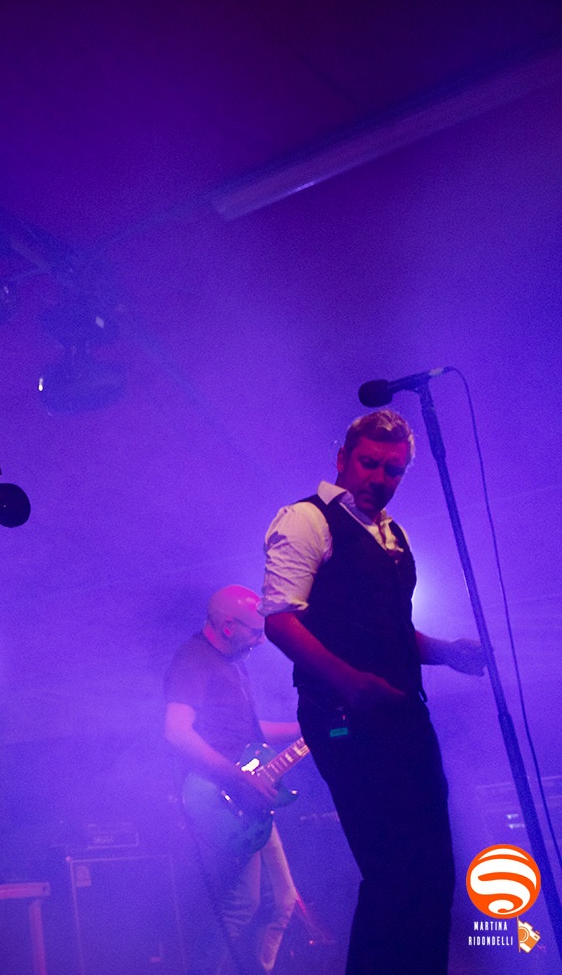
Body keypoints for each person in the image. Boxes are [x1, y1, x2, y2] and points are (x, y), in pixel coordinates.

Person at [259, 409, 484, 975]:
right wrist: (351, 682)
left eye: (393, 470)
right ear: (342, 459)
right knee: (392, 873)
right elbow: (280, 621)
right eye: (369, 463)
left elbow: (391, 630)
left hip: (404, 717)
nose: (380, 477)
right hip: (343, 717)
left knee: (432, 874)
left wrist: (447, 653)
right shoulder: (308, 520)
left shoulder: (393, 535)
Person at [164, 585, 301, 975]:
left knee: (282, 901)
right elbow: (176, 732)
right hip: (221, 797)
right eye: (255, 631)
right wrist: (238, 779)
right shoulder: (193, 660)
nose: (261, 640)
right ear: (227, 626)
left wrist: (302, 729)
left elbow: (251, 732)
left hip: (248, 795)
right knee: (240, 905)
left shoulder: (234, 662)